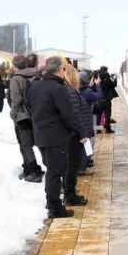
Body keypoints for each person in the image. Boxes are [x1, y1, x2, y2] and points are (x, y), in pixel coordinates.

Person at [25, 56, 85, 217]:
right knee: (55, 173)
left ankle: (52, 202)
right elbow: (67, 114)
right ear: (59, 70)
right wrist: (72, 130)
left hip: (41, 135)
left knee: (52, 170)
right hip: (56, 137)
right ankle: (55, 207)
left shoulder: (35, 86)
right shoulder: (58, 88)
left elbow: (29, 106)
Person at [9, 54, 43, 182]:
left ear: (15, 66)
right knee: (38, 142)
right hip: (37, 114)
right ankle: (32, 168)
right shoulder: (38, 75)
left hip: (23, 116)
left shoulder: (16, 79)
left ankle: (34, 170)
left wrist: (13, 113)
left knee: (25, 145)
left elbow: (16, 99)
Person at [61, 63, 94, 195]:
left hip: (74, 134)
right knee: (72, 165)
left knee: (71, 164)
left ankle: (70, 191)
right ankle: (70, 194)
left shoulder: (69, 91)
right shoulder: (71, 91)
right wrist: (83, 134)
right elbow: (75, 114)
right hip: (75, 135)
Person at [79, 70, 102, 172]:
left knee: (86, 141)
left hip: (82, 119)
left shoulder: (79, 90)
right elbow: (99, 96)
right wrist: (97, 85)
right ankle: (84, 163)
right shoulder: (87, 92)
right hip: (86, 119)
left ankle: (86, 160)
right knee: (87, 141)